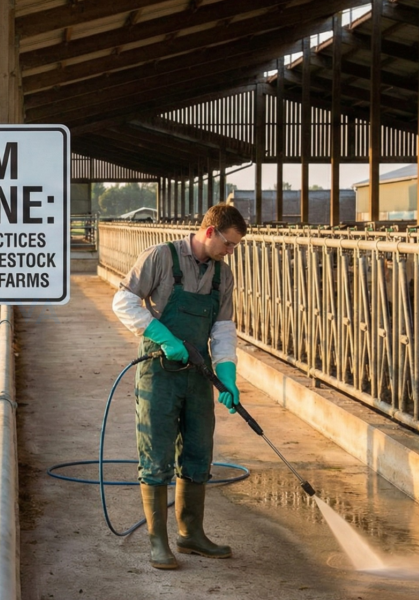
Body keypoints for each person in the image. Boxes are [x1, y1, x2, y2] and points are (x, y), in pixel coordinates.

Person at [111, 204, 247, 570]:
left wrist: (227, 373)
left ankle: (191, 534)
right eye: (229, 244)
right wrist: (162, 335)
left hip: (198, 373)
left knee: (199, 451)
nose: (230, 251)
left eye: (235, 246)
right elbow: (123, 300)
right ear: (210, 232)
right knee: (156, 454)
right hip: (160, 371)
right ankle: (158, 542)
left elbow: (223, 327)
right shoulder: (161, 257)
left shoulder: (222, 274)